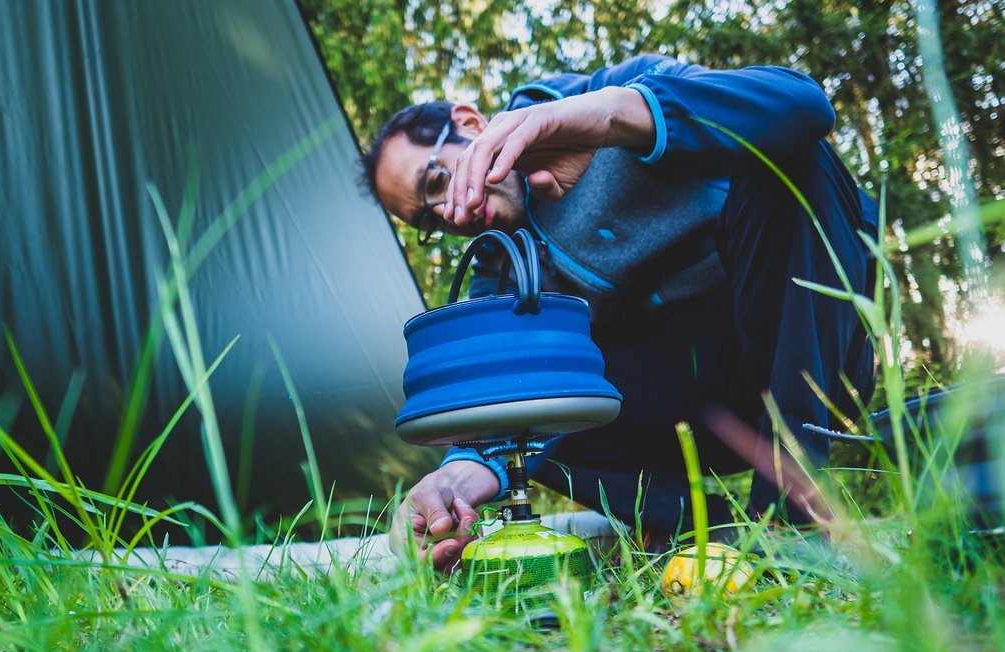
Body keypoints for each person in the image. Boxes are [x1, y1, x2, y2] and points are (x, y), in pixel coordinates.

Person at [360, 54, 878, 571]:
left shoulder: (614, 94)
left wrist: (615, 118)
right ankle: (704, 528)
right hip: (680, 420)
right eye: (429, 220)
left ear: (470, 123)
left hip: (801, 360)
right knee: (527, 394)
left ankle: (788, 522)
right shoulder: (500, 274)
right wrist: (457, 478)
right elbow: (495, 406)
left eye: (436, 183)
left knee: (787, 155)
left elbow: (803, 104)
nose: (452, 212)